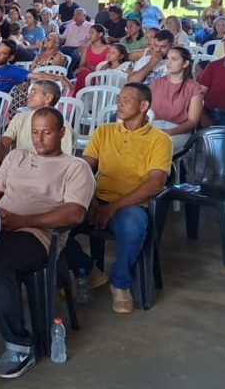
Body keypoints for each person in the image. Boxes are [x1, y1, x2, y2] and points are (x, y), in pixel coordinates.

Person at [0, 107, 93, 378]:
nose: (39, 139)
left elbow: (74, 213)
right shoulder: (16, 156)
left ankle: (19, 346)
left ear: (62, 133)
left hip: (39, 236)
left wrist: (22, 221)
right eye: (35, 132)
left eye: (47, 132)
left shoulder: (75, 167)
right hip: (1, 226)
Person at [64, 83, 171, 314]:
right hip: (97, 199)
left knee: (132, 226)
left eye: (127, 100)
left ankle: (121, 283)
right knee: (56, 220)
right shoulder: (104, 131)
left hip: (130, 204)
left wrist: (112, 208)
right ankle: (88, 270)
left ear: (143, 105)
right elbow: (85, 170)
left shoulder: (160, 140)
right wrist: (90, 199)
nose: (119, 104)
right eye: (119, 99)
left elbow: (155, 183)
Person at [0, 80, 72, 177]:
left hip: (45, 174)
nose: (28, 95)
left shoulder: (61, 127)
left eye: (34, 92)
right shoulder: (20, 117)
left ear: (48, 98)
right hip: (18, 169)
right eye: (30, 92)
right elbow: (5, 141)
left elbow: (62, 162)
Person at [150, 46, 203, 154]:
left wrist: (168, 132)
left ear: (185, 63)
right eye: (168, 59)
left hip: (179, 131)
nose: (169, 63)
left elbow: (192, 122)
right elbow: (148, 112)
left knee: (160, 146)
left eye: (174, 59)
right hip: (154, 126)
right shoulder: (156, 83)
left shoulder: (194, 88)